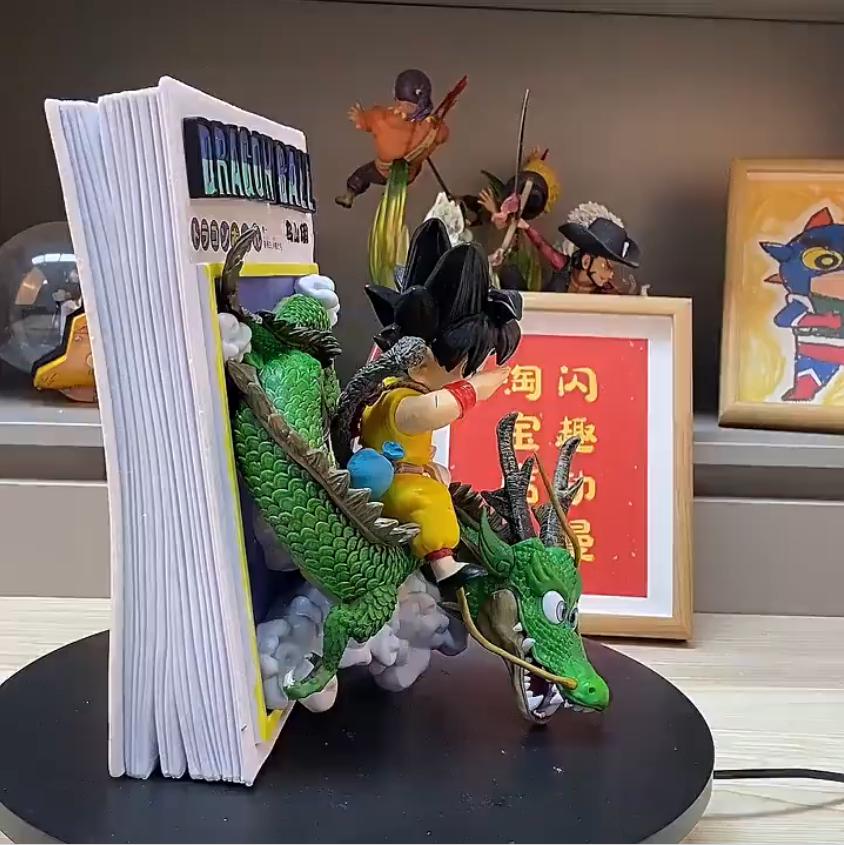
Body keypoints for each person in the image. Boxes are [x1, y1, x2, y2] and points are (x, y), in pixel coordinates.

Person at [360, 219, 522, 592]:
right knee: (431, 502)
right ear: (421, 362)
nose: (468, 374)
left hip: (409, 471)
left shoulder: (402, 389)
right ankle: (445, 567)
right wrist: (474, 389)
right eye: (464, 366)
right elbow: (434, 409)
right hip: (393, 484)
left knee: (439, 487)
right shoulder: (400, 399)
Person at [335, 69, 450, 208]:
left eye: (405, 104)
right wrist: (434, 124)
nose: (402, 107)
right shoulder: (432, 128)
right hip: (407, 172)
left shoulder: (386, 120)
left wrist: (362, 117)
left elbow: (370, 120)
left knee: (361, 175)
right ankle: (358, 196)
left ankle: (351, 196)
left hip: (389, 171)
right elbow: (443, 134)